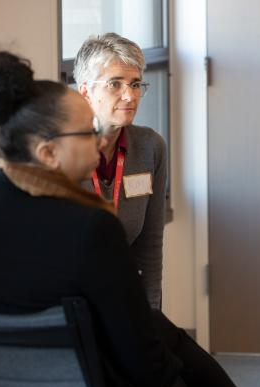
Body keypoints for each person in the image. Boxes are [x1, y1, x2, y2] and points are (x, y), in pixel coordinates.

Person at [0, 51, 260, 387]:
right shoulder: (89, 229)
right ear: (48, 153)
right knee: (171, 375)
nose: (100, 143)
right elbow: (146, 367)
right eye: (87, 132)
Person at [73, 32, 166, 309]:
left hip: (123, 298)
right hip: (71, 303)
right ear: (86, 91)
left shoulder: (150, 147)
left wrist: (151, 317)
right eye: (115, 84)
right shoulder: (60, 153)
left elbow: (149, 250)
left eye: (135, 84)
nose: (130, 96)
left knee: (186, 354)